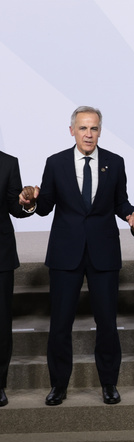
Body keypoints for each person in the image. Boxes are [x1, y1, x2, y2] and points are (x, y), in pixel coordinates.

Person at [30, 106, 134, 406]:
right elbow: (45, 207)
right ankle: (58, 386)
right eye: (83, 128)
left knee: (107, 323)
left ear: (99, 131)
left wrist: (133, 216)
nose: (89, 134)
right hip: (65, 254)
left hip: (103, 253)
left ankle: (109, 384)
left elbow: (121, 202)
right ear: (72, 131)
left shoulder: (115, 162)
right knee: (60, 325)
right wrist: (32, 198)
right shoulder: (55, 163)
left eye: (94, 128)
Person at [0, 151, 36, 407]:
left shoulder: (8, 163)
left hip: (0, 256)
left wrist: (26, 202)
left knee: (1, 325)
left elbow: (16, 207)